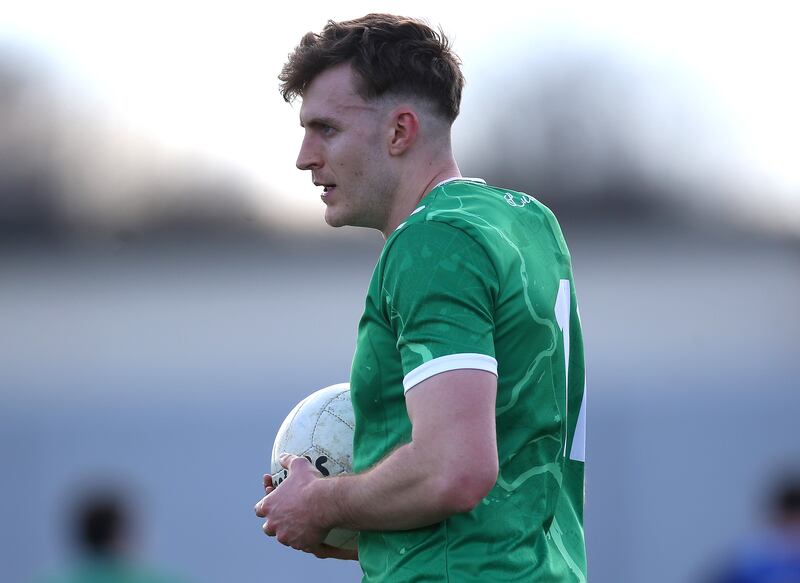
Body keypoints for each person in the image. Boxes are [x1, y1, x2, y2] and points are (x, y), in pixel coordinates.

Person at [255, 13, 587, 582]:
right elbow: (504, 473)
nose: (304, 156)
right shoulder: (528, 224)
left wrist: (321, 504)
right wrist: (373, 534)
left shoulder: (433, 244)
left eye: (326, 128)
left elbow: (455, 469)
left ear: (399, 131)